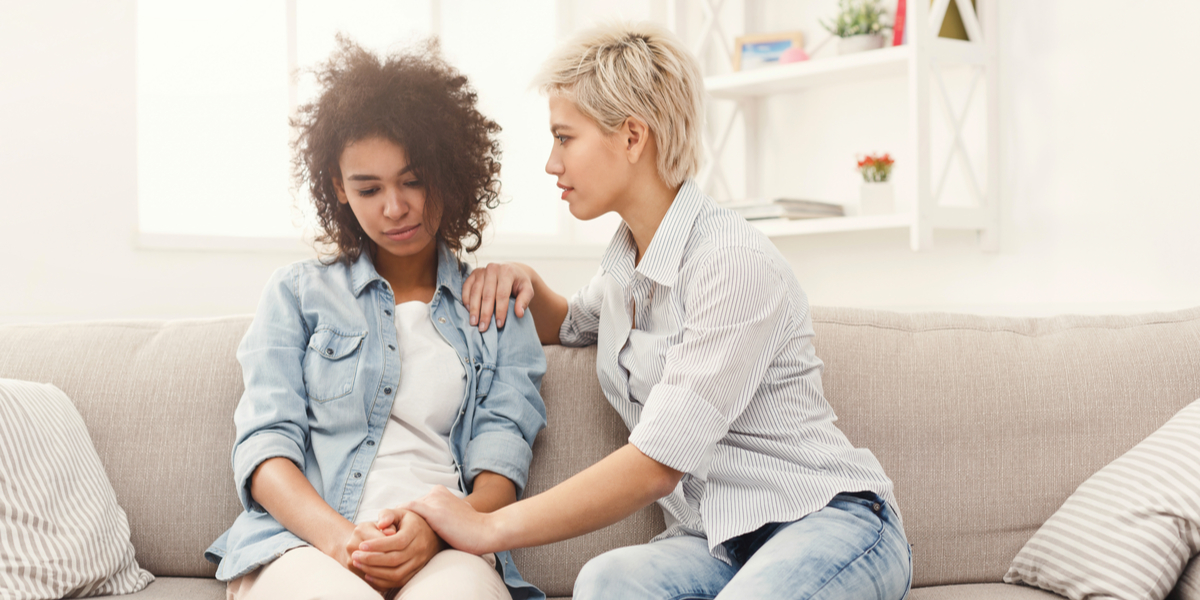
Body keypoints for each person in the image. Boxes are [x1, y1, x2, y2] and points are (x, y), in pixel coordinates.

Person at [379, 22, 912, 600]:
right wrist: (521, 280)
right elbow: (571, 323)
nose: (552, 164)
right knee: (605, 581)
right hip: (716, 544)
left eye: (565, 138)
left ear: (632, 137)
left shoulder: (730, 263)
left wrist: (484, 526)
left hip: (826, 522)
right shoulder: (627, 267)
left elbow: (657, 464)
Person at [203, 38, 547, 600]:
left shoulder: (494, 305)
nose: (395, 208)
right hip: (306, 545)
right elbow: (266, 451)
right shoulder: (296, 294)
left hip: (445, 546)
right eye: (369, 187)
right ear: (339, 188)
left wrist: (435, 533)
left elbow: (500, 464)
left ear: (449, 173)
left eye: (413, 180)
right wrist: (345, 543)